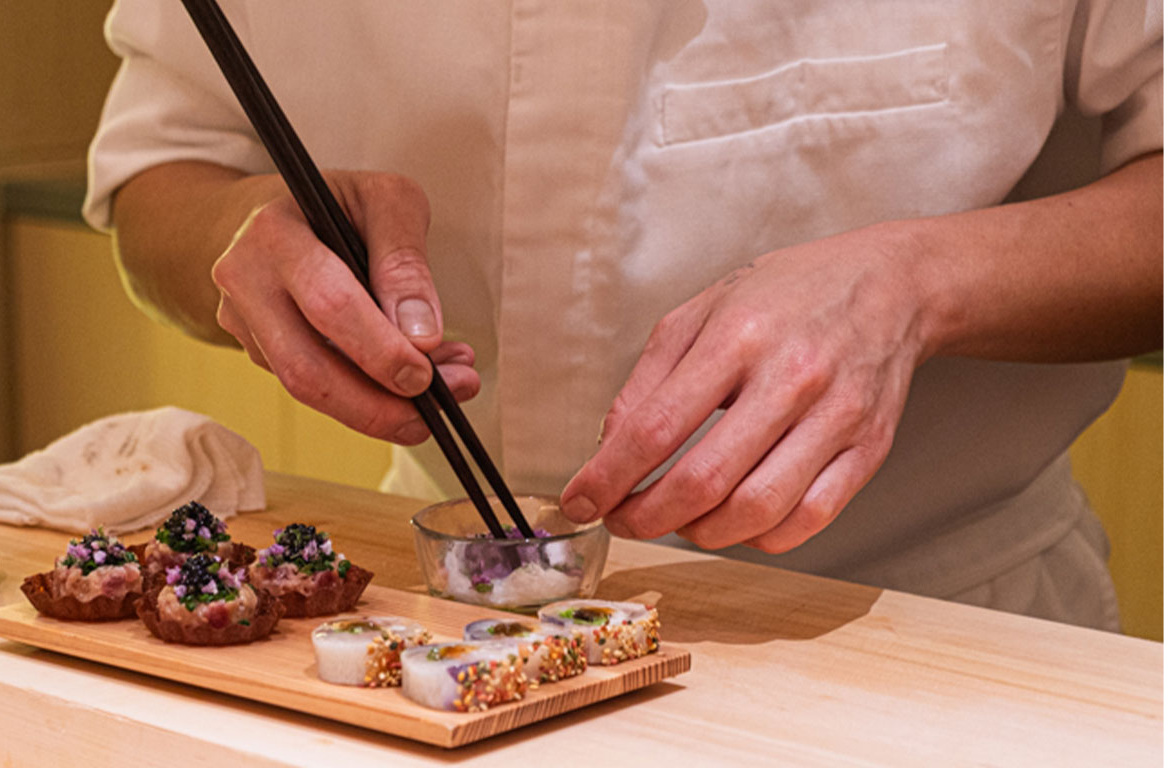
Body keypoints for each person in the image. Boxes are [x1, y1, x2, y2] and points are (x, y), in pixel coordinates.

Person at [83, 1, 1162, 630]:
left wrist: (915, 285)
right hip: (440, 624)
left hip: (935, 623)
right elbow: (160, 179)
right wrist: (243, 236)